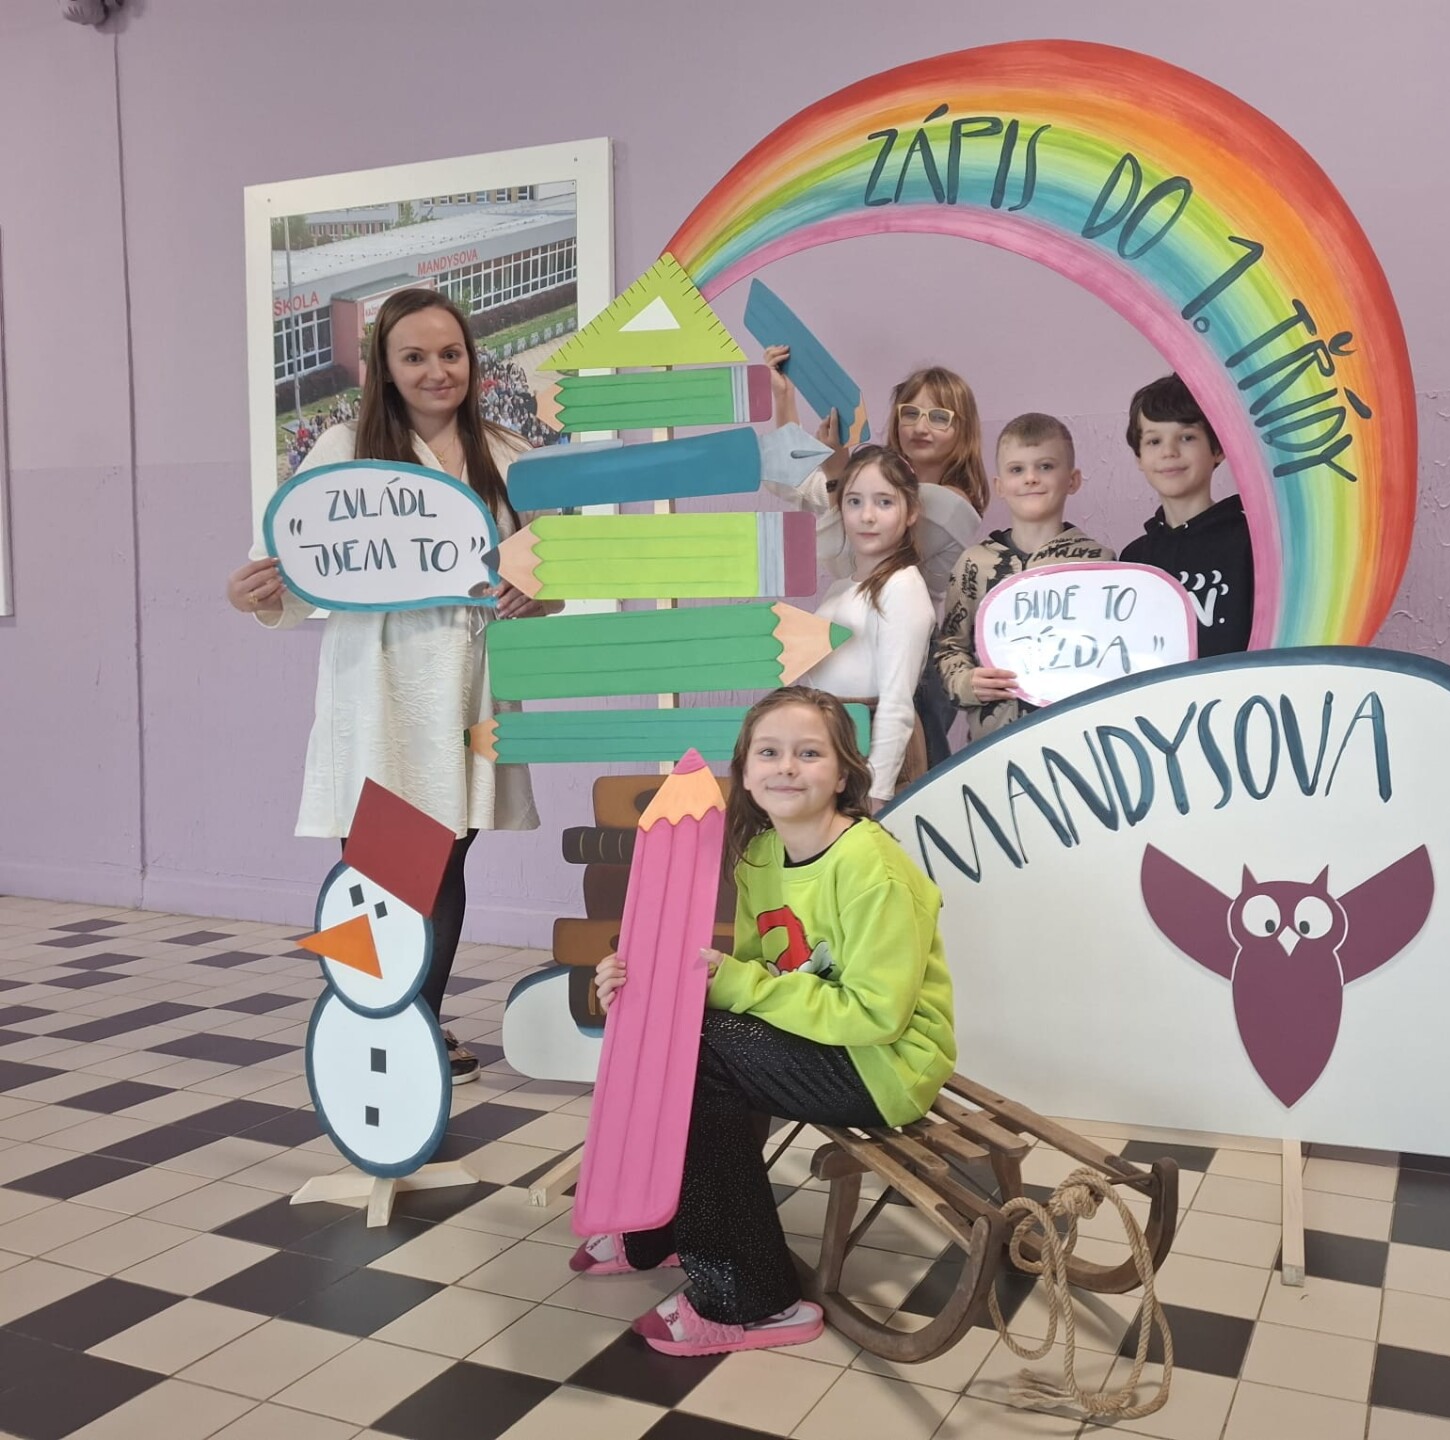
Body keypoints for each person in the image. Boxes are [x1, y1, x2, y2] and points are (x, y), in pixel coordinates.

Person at [225, 288, 556, 1082]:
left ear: (472, 360)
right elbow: (294, 573)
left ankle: (421, 1024)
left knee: (448, 859)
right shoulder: (343, 450)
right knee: (381, 868)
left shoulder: (508, 454)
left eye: (450, 353)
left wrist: (534, 592)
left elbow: (547, 579)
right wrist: (254, 592)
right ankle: (369, 1023)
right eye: (414, 356)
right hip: (375, 684)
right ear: (384, 367)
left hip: (470, 683)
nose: (437, 371)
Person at [573, 687, 956, 1357]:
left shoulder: (871, 868)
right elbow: (756, 979)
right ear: (745, 772)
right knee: (677, 1040)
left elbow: (877, 1013)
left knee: (692, 1054)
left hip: (886, 1065)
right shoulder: (761, 855)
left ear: (843, 773)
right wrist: (637, 990)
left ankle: (753, 1301)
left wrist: (735, 986)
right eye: (769, 753)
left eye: (809, 753)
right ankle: (659, 1229)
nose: (787, 767)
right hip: (818, 1044)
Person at [758, 349, 985, 763]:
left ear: (963, 430)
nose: (921, 426)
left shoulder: (949, 506)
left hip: (915, 657)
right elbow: (788, 482)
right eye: (910, 413)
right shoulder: (877, 488)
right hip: (861, 643)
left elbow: (848, 560)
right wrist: (784, 397)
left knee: (914, 771)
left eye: (939, 417)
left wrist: (839, 476)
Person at [934, 414, 1113, 743]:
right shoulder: (975, 564)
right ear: (999, 485)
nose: (1031, 478)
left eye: (1045, 466)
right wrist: (966, 682)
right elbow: (950, 647)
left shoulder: (1099, 564)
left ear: (1072, 480)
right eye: (1017, 469)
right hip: (993, 748)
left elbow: (1113, 655)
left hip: (1076, 742)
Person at [792, 447, 936, 804]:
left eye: (884, 502)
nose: (867, 516)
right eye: (854, 502)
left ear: (911, 511)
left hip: (872, 747)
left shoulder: (902, 587)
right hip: (830, 741)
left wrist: (877, 791)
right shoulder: (843, 586)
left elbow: (896, 701)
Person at [1118, 374, 1256, 657]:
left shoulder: (1252, 544)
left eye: (1187, 437)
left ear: (1218, 449)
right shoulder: (1133, 560)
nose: (1169, 452)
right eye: (1154, 441)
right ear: (1139, 457)